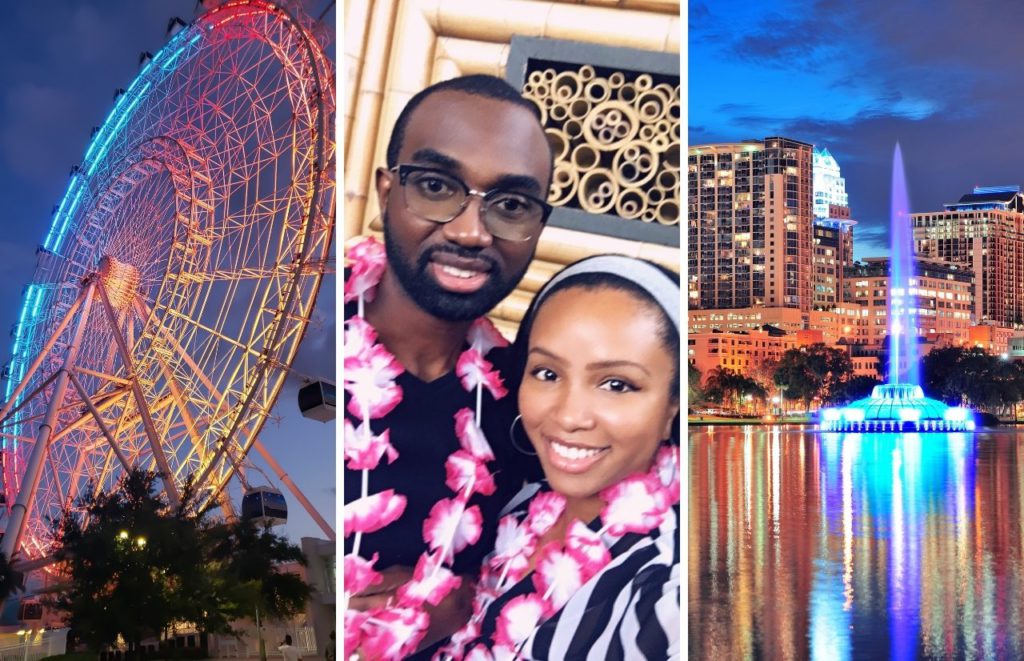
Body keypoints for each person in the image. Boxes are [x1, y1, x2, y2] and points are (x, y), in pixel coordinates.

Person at [343, 74, 552, 657]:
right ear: (386, 192)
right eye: (436, 186)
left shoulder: (533, 407)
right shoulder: (312, 322)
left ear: (538, 226)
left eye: (510, 205)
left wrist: (465, 603)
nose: (470, 231)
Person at [445, 255, 681, 660]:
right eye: (547, 374)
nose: (570, 416)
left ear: (672, 409)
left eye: (616, 384)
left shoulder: (667, 590)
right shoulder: (520, 507)